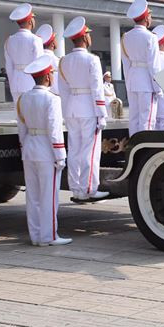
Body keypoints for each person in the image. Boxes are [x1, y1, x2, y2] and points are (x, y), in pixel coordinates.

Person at [17, 55, 71, 246]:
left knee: (32, 196)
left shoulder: (23, 98)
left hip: (29, 148)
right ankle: (49, 236)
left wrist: (24, 148)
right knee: (49, 196)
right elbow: (54, 130)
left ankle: (36, 235)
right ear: (48, 76)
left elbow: (21, 129)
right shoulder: (52, 99)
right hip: (46, 150)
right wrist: (60, 155)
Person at [59, 16, 109, 203]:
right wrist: (101, 114)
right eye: (88, 34)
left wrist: (66, 112)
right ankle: (89, 189)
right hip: (88, 108)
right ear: (84, 38)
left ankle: (76, 189)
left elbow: (63, 90)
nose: (90, 37)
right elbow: (97, 88)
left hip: (72, 108)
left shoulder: (64, 61)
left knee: (74, 150)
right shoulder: (92, 59)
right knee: (90, 151)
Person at [122, 0, 160, 136]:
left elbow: (126, 63)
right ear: (146, 18)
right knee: (147, 119)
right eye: (150, 15)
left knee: (134, 118)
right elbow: (153, 65)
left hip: (133, 79)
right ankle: (146, 146)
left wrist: (128, 83)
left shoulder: (126, 36)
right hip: (146, 81)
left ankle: (134, 143)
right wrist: (158, 87)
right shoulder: (151, 37)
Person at [4, 3, 43, 104]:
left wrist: (13, 83)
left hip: (16, 82)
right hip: (31, 82)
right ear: (30, 21)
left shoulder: (9, 40)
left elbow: (9, 66)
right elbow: (39, 65)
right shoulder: (35, 39)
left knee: (18, 112)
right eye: (33, 18)